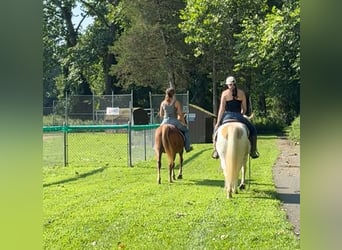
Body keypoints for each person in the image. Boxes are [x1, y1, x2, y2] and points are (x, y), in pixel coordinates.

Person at [212, 76, 259, 159]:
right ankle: (253, 151)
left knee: (216, 131)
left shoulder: (225, 93)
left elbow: (221, 109)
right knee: (253, 130)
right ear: (235, 84)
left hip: (227, 116)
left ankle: (216, 151)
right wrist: (241, 114)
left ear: (227, 85)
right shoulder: (241, 93)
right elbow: (244, 109)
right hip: (238, 116)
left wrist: (218, 122)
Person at [159, 87, 193, 152]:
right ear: (173, 94)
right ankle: (187, 147)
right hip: (174, 121)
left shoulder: (163, 103)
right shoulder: (176, 102)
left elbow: (161, 115)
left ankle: (156, 146)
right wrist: (183, 122)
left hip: (165, 121)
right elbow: (180, 114)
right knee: (186, 130)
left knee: (158, 132)